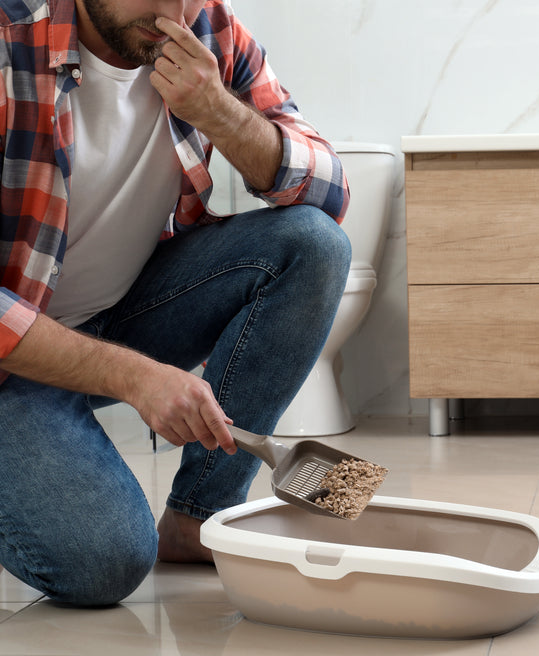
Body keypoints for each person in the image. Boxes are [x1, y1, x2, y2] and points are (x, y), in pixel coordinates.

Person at [0, 0, 351, 606]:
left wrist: (217, 111)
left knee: (312, 245)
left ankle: (198, 518)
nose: (171, 11)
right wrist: (133, 376)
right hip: (10, 360)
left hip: (117, 311)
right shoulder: (10, 44)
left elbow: (329, 191)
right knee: (104, 565)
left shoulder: (209, 28)